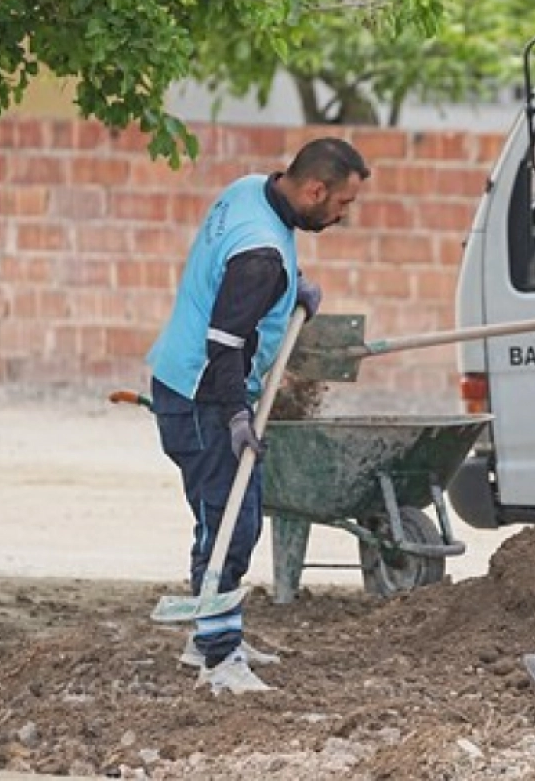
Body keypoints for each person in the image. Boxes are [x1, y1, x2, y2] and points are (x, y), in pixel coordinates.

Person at [145, 137, 369, 694]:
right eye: (341, 204)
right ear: (314, 190)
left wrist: (291, 288)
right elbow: (225, 341)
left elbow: (240, 277)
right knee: (229, 523)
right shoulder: (261, 255)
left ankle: (209, 636)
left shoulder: (252, 190)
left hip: (185, 379)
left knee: (228, 515)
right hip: (204, 396)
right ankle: (218, 659)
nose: (343, 215)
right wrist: (237, 414)